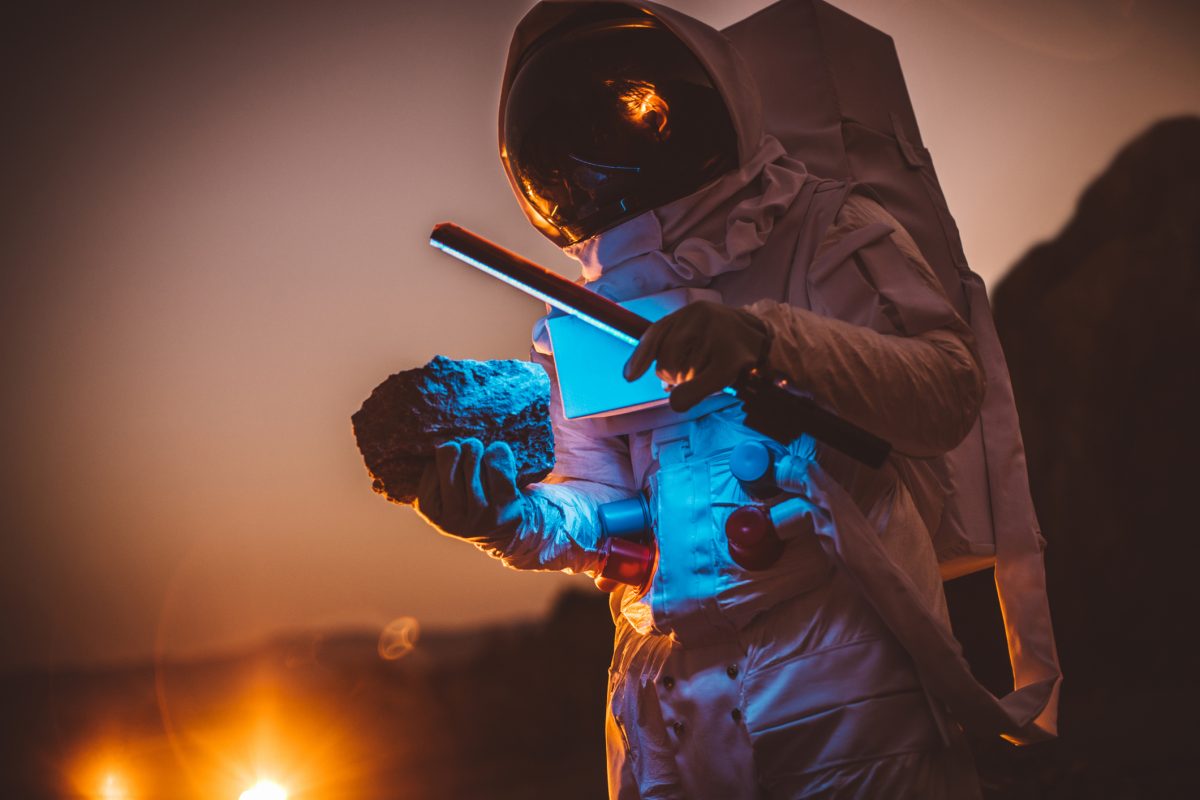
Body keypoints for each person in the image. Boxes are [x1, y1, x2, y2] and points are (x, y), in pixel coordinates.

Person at [416, 2, 1053, 797]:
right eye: (566, 141)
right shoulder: (578, 319)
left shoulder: (824, 227)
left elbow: (948, 391)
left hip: (839, 662)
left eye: (624, 116)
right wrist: (510, 522)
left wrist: (770, 341)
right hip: (665, 699)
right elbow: (609, 511)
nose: (594, 159)